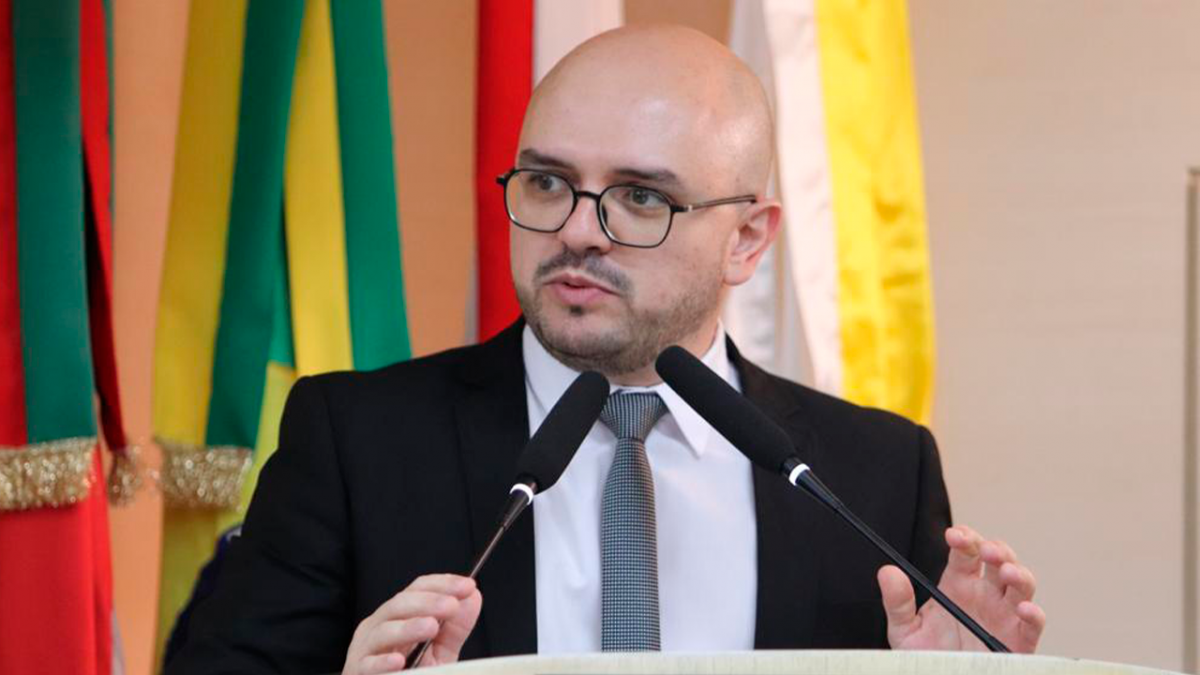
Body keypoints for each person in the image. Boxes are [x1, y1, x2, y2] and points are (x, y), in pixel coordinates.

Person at [168, 24, 1045, 675]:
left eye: (640, 197)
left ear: (747, 239)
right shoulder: (357, 437)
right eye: (548, 182)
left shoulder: (873, 473)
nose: (578, 231)